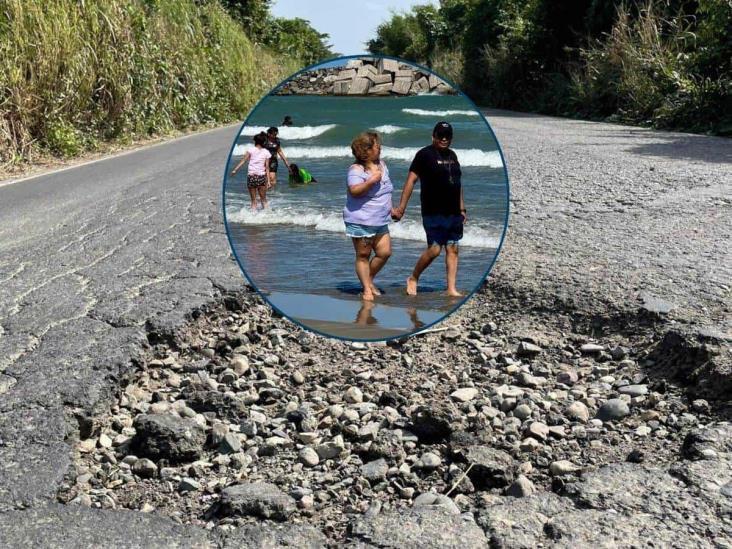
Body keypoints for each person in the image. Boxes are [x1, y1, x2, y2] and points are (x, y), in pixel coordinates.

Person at [392, 121, 466, 297]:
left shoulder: (453, 156)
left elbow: (458, 184)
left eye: (447, 136)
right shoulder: (424, 155)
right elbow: (411, 181)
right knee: (434, 249)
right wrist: (401, 207)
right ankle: (413, 277)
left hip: (453, 211)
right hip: (433, 210)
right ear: (433, 136)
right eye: (440, 135)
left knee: (453, 248)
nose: (444, 139)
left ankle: (451, 289)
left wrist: (462, 208)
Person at [343, 131, 393, 301]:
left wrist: (391, 209)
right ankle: (366, 289)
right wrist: (371, 180)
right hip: (360, 220)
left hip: (380, 220)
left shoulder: (383, 165)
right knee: (363, 255)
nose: (380, 147)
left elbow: (386, 190)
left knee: (384, 253)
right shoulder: (356, 169)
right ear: (367, 150)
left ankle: (368, 280)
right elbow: (355, 190)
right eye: (376, 144)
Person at [229, 131, 271, 211]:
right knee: (263, 199)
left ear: (255, 141)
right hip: (261, 177)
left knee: (253, 201)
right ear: (263, 142)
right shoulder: (266, 152)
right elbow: (267, 167)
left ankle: (252, 217)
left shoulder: (250, 150)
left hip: (251, 176)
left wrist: (235, 170)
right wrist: (268, 181)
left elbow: (243, 161)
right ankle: (267, 215)